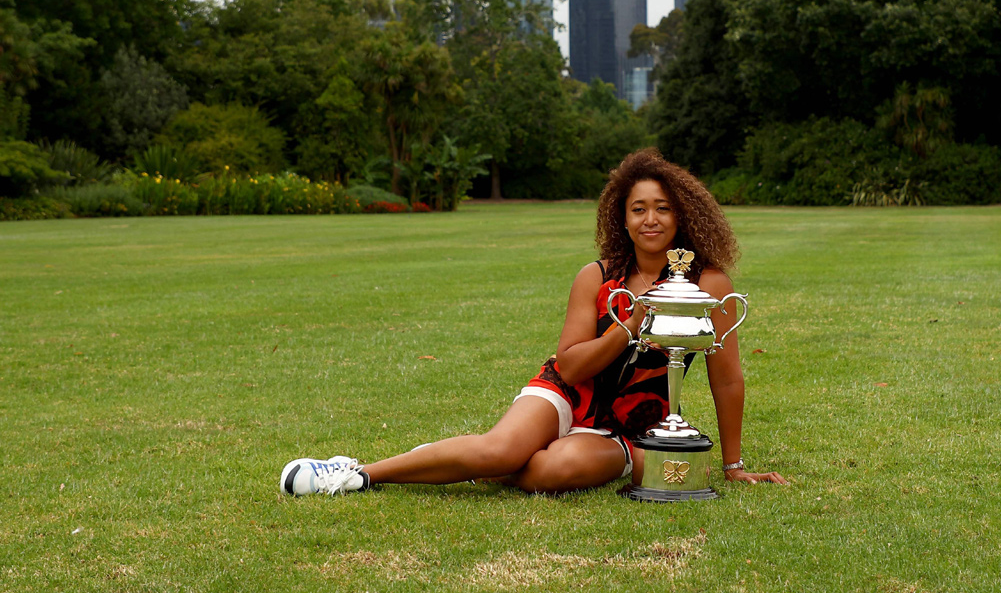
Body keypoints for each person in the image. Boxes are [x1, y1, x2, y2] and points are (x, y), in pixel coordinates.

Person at [280, 148, 786, 496]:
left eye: (662, 208)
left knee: (551, 469)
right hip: (567, 392)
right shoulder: (596, 277)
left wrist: (733, 466)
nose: (650, 219)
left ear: (683, 216)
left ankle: (466, 459)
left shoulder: (709, 283)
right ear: (622, 218)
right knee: (503, 448)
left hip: (633, 424)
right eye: (638, 209)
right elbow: (570, 367)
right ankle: (356, 474)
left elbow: (728, 377)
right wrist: (628, 324)